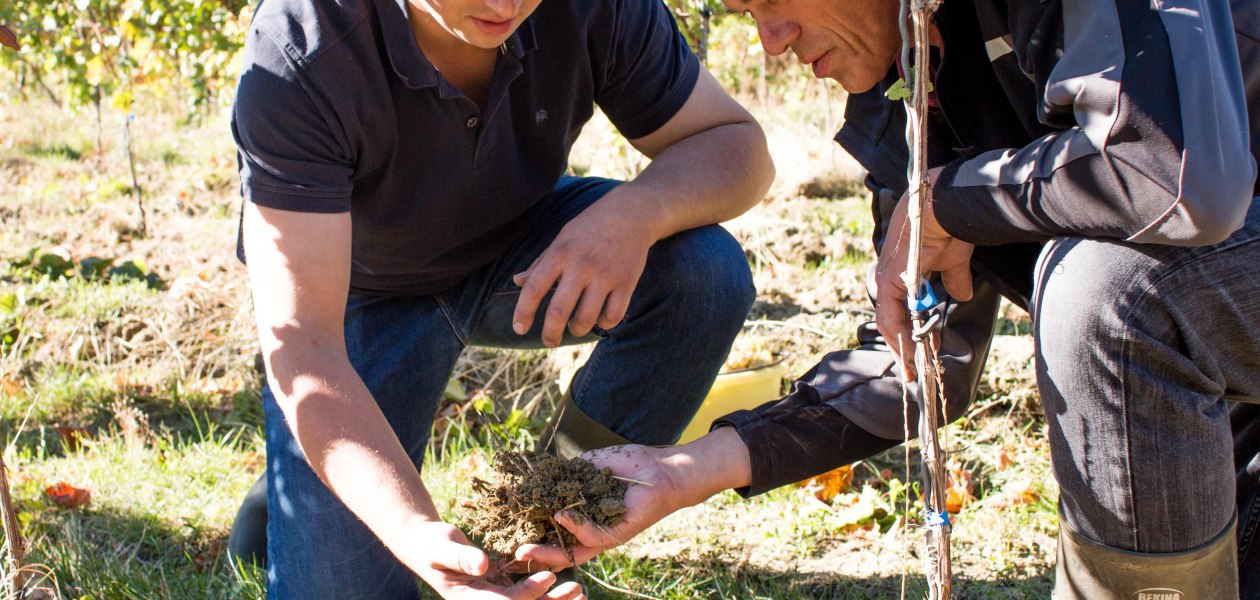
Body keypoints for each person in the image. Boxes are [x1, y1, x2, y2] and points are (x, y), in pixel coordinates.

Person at [520, 0, 1260, 597]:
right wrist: (685, 472)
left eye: (772, 2)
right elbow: (923, 353)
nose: (771, 43)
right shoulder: (905, 92)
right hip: (1217, 409)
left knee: (1105, 291)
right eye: (747, 15)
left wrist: (949, 199)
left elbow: (1172, 172)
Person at [225, 0, 775, 596]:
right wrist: (412, 530)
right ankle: (296, 489)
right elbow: (307, 346)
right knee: (339, 583)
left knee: (703, 272)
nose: (504, 6)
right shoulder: (300, 46)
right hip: (361, 296)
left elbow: (737, 144)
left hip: (517, 246)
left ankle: (541, 531)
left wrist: (638, 212)